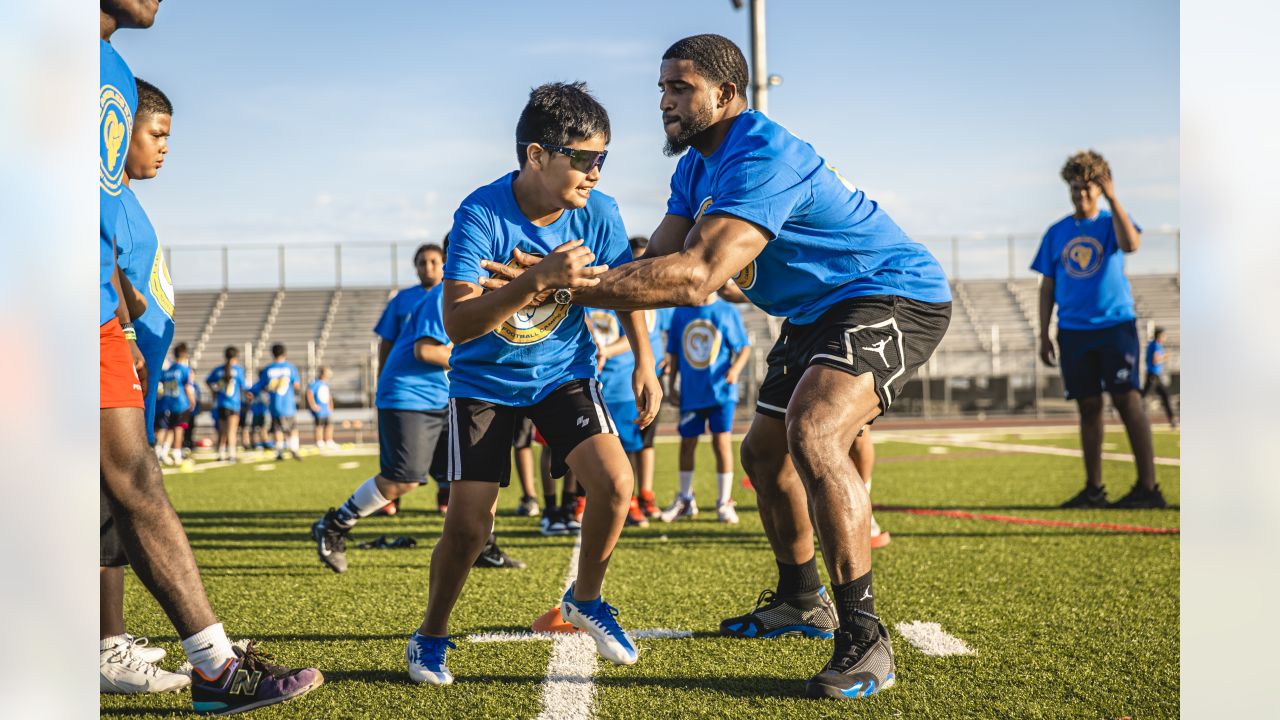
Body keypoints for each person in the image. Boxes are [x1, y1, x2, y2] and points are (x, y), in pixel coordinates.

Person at [481, 35, 951, 699]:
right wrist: (564, 272)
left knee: (814, 434)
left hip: (890, 292)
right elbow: (649, 267)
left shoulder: (762, 151)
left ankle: (866, 638)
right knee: (764, 457)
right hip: (817, 311)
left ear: (726, 95)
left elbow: (697, 277)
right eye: (662, 89)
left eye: (682, 88)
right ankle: (802, 600)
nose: (666, 102)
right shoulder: (695, 169)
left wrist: (560, 287)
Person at [98, 2, 322, 713]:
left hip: (91, 317)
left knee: (118, 491)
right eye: (156, 134)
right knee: (128, 485)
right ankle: (214, 667)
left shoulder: (112, 70)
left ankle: (177, 657)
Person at [405, 82, 661, 685]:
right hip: (485, 383)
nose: (596, 172)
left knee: (617, 483)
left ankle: (586, 600)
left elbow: (625, 289)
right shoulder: (480, 213)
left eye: (604, 157)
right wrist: (537, 280)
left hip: (563, 372)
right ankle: (430, 635)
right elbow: (458, 324)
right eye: (584, 158)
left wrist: (646, 363)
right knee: (470, 527)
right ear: (537, 156)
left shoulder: (600, 212)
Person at [310, 285, 524, 573]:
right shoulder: (446, 294)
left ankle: (481, 545)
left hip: (442, 396)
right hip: (411, 396)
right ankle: (334, 524)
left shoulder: (476, 292)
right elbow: (425, 350)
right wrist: (480, 362)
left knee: (472, 476)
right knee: (404, 478)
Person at [1034, 150, 1165, 509]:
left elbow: (1132, 244)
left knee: (1128, 400)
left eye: (1089, 189)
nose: (1081, 196)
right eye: (1076, 189)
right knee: (1088, 407)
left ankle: (1148, 488)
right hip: (1073, 331)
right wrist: (1043, 332)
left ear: (1101, 189)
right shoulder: (1057, 232)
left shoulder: (1111, 222)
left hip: (1114, 327)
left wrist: (1113, 198)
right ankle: (1094, 489)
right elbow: (1047, 286)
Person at [660, 292, 750, 524]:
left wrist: (735, 370)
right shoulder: (681, 311)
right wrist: (671, 386)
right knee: (687, 444)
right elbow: (674, 352)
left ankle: (724, 501)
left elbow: (743, 348)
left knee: (721, 443)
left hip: (721, 392)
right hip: (691, 392)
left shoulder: (727, 310)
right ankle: (685, 499)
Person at [374, 240, 446, 514]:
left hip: (443, 388)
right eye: (421, 262)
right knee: (404, 466)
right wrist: (381, 378)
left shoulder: (455, 293)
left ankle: (445, 497)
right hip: (411, 388)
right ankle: (384, 500)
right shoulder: (404, 300)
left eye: (433, 262)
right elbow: (389, 341)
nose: (427, 267)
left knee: (448, 454)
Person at [587, 308, 650, 527]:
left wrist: (604, 350)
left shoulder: (619, 298)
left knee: (627, 447)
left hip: (621, 387)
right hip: (588, 385)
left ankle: (630, 501)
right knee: (587, 447)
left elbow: (633, 336)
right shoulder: (582, 298)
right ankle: (581, 499)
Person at [628, 236, 673, 519]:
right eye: (637, 260)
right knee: (627, 442)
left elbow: (665, 334)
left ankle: (646, 494)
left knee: (647, 442)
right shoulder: (622, 297)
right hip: (623, 382)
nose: (642, 265)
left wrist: (668, 356)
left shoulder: (659, 299)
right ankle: (630, 498)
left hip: (652, 381)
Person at [253, 344, 302, 461]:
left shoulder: (268, 369)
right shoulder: (290, 367)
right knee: (293, 428)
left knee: (277, 428)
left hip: (275, 404)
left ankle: (279, 451)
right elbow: (296, 385)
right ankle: (293, 449)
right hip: (288, 404)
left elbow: (260, 385)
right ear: (284, 353)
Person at [156, 343, 196, 466]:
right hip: (181, 403)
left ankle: (162, 452)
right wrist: (192, 400)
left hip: (168, 403)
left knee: (168, 429)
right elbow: (187, 386)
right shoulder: (185, 370)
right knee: (178, 429)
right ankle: (177, 454)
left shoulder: (168, 370)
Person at [205, 346, 246, 463]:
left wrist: (214, 390)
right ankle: (232, 454)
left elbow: (208, 381)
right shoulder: (238, 370)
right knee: (231, 431)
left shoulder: (218, 370)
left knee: (222, 431)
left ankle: (221, 453)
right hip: (233, 404)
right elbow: (244, 386)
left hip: (221, 403)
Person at [1143, 327, 1177, 428]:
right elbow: (1155, 360)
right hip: (1153, 376)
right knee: (1143, 397)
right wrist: (1165, 357)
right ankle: (1136, 418)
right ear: (1159, 336)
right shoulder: (1155, 345)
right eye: (1164, 336)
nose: (1165, 338)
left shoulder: (1154, 345)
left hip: (1155, 376)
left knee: (1165, 396)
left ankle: (1172, 419)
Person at [307, 366, 335, 449]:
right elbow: (309, 393)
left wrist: (331, 404)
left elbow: (328, 395)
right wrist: (313, 405)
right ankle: (319, 441)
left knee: (329, 425)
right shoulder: (315, 383)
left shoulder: (325, 383)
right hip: (319, 409)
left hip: (326, 409)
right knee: (319, 426)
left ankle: (329, 440)